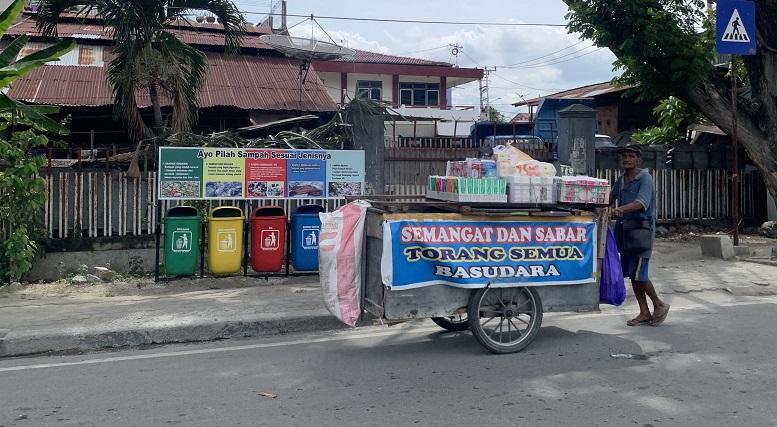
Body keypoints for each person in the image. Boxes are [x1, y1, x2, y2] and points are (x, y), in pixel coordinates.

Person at [611, 145, 670, 326]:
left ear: (638, 160)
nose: (626, 159)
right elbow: (609, 198)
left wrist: (620, 209)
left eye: (630, 156)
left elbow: (641, 202)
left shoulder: (645, 178)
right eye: (624, 156)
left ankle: (659, 304)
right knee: (631, 273)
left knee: (639, 274)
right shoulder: (621, 180)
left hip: (640, 233)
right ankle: (644, 312)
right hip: (625, 233)